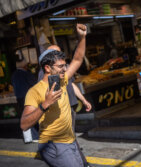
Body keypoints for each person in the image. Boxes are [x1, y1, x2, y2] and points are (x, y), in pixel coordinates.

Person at [20, 24, 87, 167]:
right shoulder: (35, 91)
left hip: (70, 141)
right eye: (61, 66)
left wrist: (82, 37)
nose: (65, 69)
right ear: (47, 68)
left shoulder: (62, 80)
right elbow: (24, 124)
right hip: (54, 145)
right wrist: (45, 104)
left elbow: (78, 59)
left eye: (65, 65)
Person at [37, 45, 92, 167]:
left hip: (71, 105)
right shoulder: (44, 72)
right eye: (56, 53)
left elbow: (71, 84)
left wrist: (83, 99)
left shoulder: (63, 68)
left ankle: (80, 162)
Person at [11, 54, 39, 143]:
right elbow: (35, 84)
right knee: (33, 116)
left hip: (19, 98)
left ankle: (28, 138)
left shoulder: (14, 75)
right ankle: (35, 136)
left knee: (24, 116)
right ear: (24, 66)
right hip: (29, 98)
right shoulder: (26, 74)